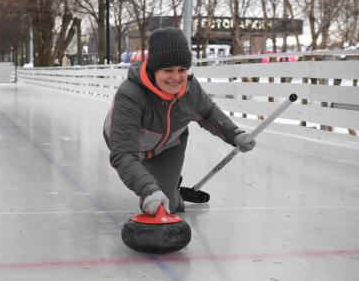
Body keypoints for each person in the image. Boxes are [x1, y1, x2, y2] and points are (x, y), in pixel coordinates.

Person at [103, 27, 255, 216]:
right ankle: (164, 182)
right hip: (130, 144)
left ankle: (172, 188)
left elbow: (207, 113)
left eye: (182, 70)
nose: (176, 78)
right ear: (153, 69)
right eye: (168, 70)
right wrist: (149, 189)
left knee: (169, 205)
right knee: (152, 196)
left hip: (169, 144)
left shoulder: (190, 89)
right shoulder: (131, 94)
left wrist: (235, 135)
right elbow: (124, 153)